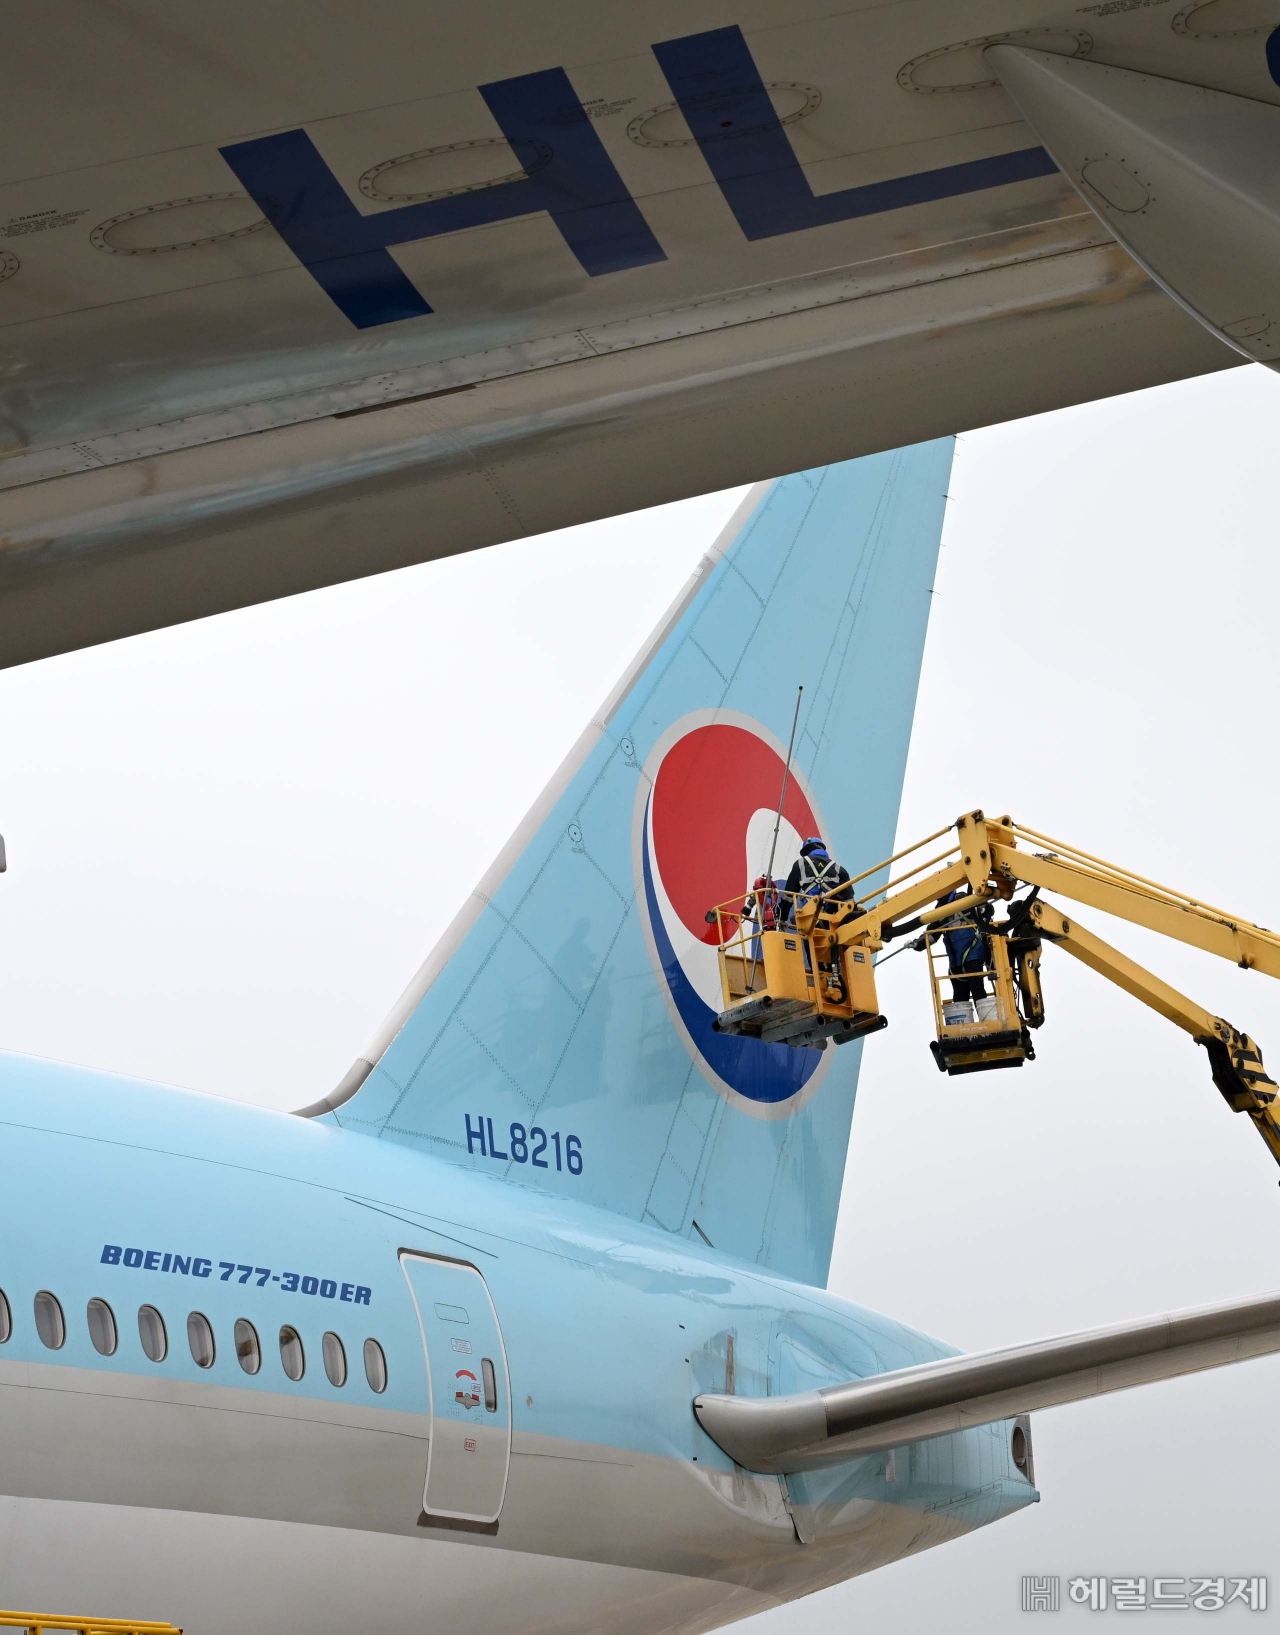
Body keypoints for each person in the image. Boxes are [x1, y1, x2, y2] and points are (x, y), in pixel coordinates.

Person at [935, 887, 990, 1004]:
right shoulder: (939, 911)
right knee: (959, 995)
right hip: (955, 960)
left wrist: (982, 906)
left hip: (972, 954)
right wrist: (917, 943)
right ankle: (964, 1021)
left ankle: (986, 1019)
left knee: (977, 991)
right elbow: (932, 933)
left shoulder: (961, 899)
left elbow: (986, 910)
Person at [783, 837, 852, 927]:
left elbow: (789, 895)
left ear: (806, 851)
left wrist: (782, 918)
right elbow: (849, 899)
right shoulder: (838, 868)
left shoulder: (801, 864)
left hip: (810, 917)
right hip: (834, 919)